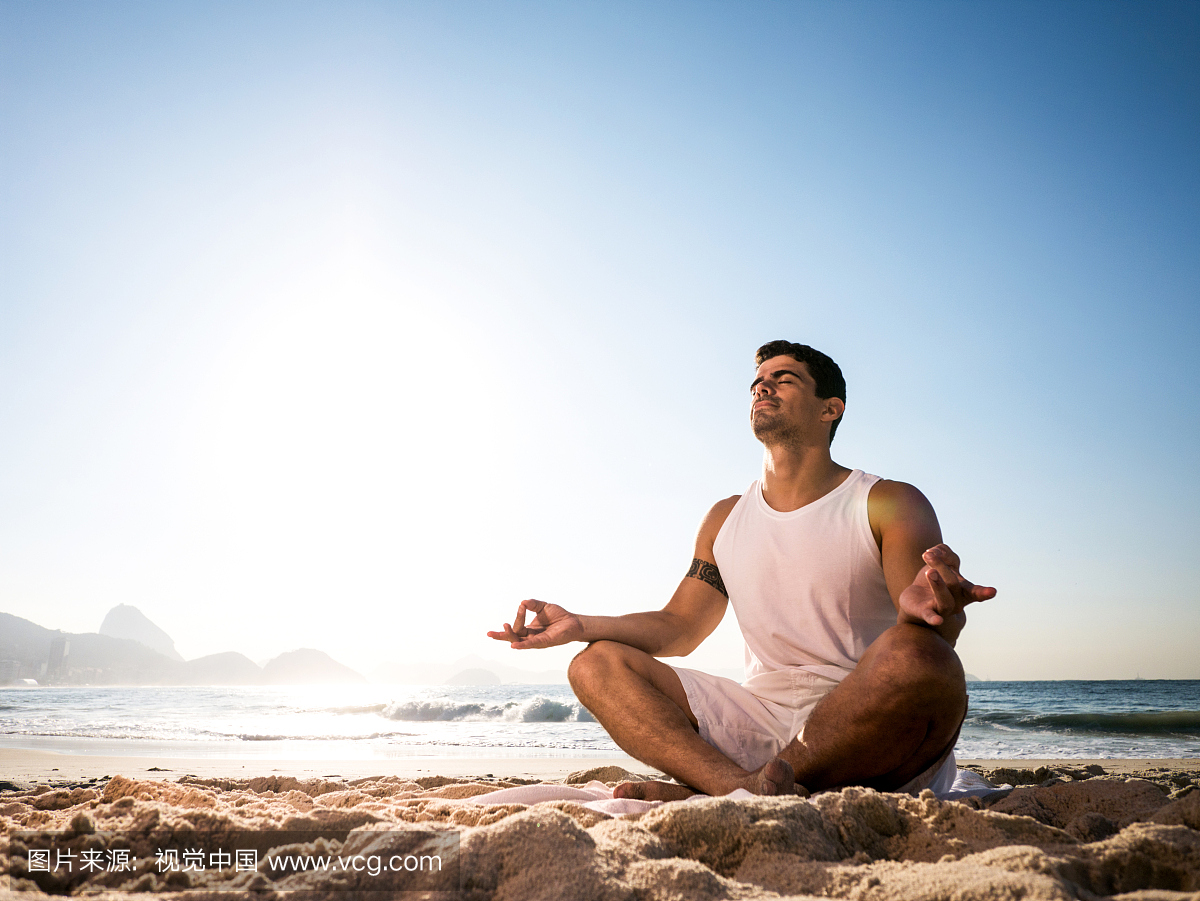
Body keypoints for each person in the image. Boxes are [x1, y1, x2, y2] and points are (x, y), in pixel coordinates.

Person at [488, 340, 995, 800]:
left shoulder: (886, 501)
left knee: (921, 658)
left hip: (867, 726)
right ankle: (737, 788)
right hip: (760, 721)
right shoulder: (725, 519)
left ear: (830, 408)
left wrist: (935, 611)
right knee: (594, 663)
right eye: (757, 382)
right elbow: (680, 628)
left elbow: (934, 629)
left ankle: (749, 787)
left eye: (784, 378)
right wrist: (581, 626)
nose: (763, 386)